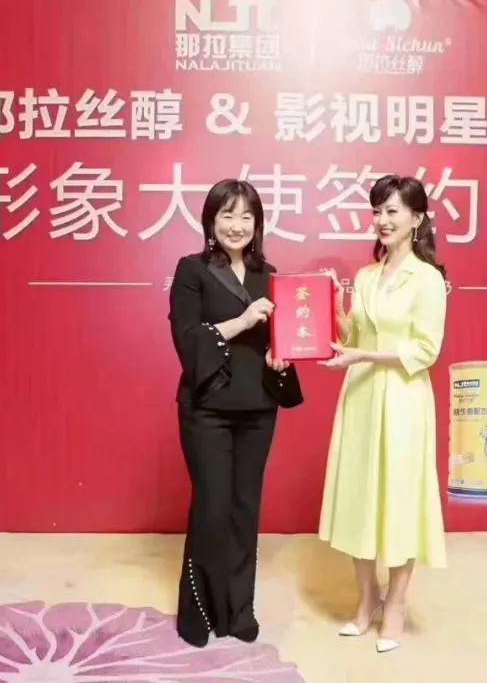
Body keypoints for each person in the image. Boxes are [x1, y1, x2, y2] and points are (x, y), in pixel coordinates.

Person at [167, 179, 303, 648]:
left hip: (258, 408)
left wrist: (281, 355)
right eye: (227, 214)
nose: (237, 225)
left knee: (245, 510)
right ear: (210, 221)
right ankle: (198, 612)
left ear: (258, 223)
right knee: (211, 508)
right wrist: (242, 322)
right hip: (207, 409)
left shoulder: (270, 274)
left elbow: (284, 338)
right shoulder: (192, 270)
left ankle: (239, 610)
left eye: (247, 216)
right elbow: (187, 340)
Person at [318, 174, 448, 653]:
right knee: (360, 497)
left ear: (417, 218)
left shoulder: (428, 278)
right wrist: (335, 312)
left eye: (392, 211)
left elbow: (426, 350)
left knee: (398, 500)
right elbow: (353, 339)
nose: (382, 220)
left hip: (404, 400)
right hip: (361, 396)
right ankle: (366, 598)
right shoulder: (366, 277)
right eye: (377, 211)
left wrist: (364, 357)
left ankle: (395, 604)